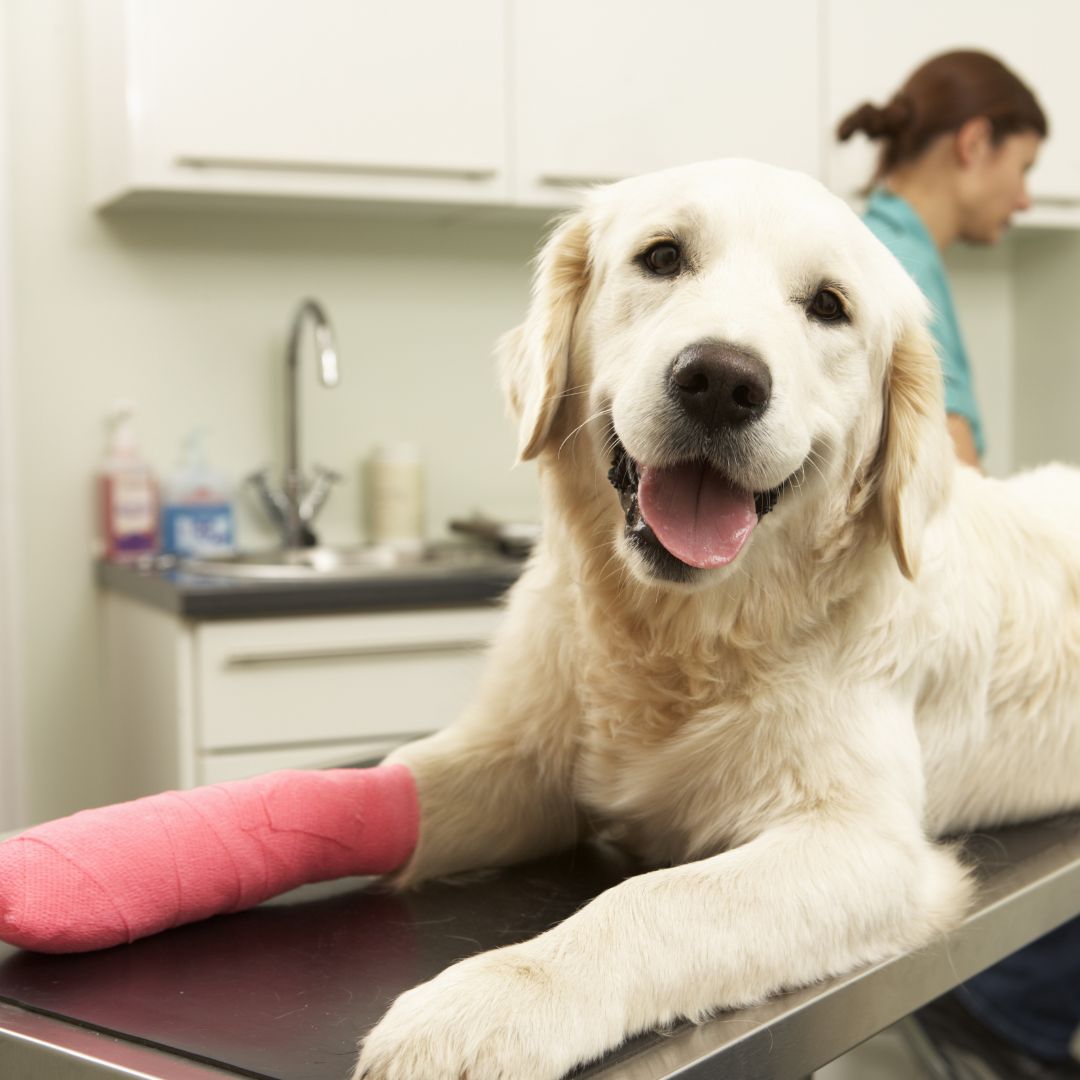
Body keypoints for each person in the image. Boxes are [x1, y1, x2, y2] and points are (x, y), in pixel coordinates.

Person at [837, 49, 1080, 1080]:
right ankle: (1000, 1016)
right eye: (1020, 166)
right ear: (972, 143)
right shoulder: (886, 266)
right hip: (882, 643)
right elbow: (944, 488)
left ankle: (1004, 1014)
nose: (1026, 198)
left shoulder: (888, 252)